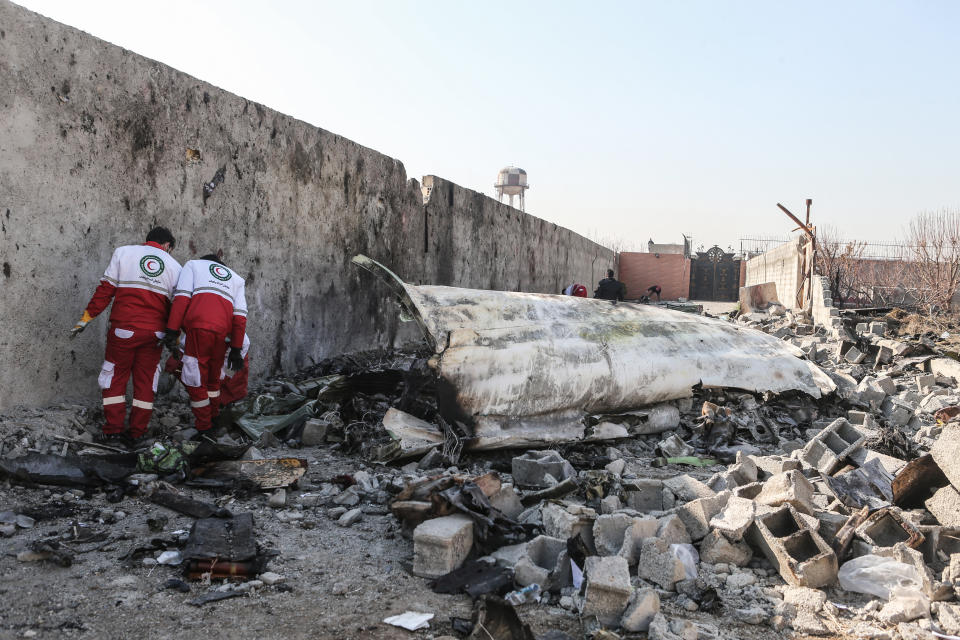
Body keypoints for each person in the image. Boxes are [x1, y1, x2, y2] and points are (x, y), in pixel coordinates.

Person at [70, 227, 182, 446]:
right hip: (154, 335)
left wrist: (85, 318)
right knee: (146, 382)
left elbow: (105, 290)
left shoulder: (123, 253)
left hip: (123, 330)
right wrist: (175, 339)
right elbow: (177, 309)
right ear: (168, 245)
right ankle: (137, 433)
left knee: (114, 378)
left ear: (147, 240)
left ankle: (113, 431)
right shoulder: (175, 267)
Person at [164, 254, 247, 435]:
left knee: (193, 377)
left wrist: (172, 330)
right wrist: (235, 349)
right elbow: (240, 317)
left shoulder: (193, 265)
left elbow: (182, 299)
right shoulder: (237, 279)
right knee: (212, 380)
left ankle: (204, 427)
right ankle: (214, 418)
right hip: (223, 334)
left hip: (199, 327)